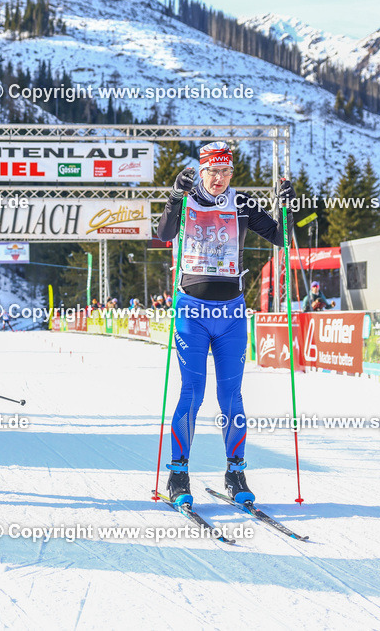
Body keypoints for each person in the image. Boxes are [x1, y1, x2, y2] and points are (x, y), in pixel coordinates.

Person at [156, 141, 294, 506]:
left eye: (226, 171)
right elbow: (165, 233)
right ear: (201, 171)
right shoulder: (186, 198)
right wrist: (172, 197)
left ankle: (236, 473)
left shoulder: (243, 204)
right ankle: (178, 474)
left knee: (231, 397)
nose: (219, 178)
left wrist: (288, 208)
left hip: (231, 312)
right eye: (213, 171)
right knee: (192, 393)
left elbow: (282, 238)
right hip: (192, 311)